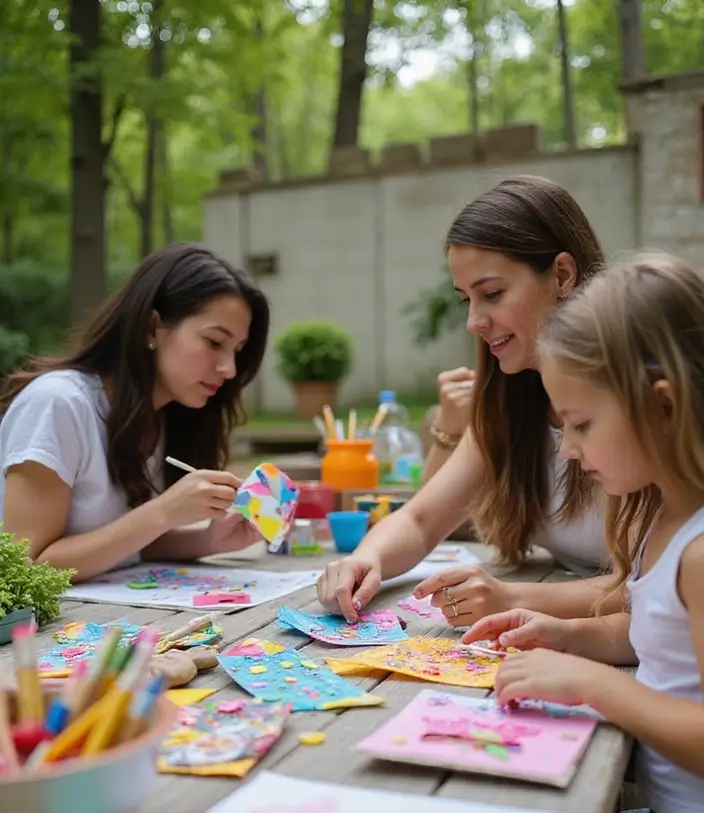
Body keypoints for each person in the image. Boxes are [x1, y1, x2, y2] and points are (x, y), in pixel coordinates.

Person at [465, 253, 704, 813]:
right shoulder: (660, 512)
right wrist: (567, 633)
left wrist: (598, 687)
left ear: (663, 407)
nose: (566, 449)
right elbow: (654, 634)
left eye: (580, 425)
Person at [318, 175, 616, 625]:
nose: (474, 321)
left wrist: (513, 598)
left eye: (492, 294)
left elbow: (657, 584)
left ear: (562, 275)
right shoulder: (510, 400)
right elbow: (420, 521)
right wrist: (365, 559)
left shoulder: (638, 401)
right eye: (466, 300)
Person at [0, 242, 269, 581]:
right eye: (215, 342)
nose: (229, 368)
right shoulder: (59, 404)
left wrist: (207, 540)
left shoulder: (164, 417)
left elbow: (117, 544)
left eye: (237, 350)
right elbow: (25, 566)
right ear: (151, 326)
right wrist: (163, 511)